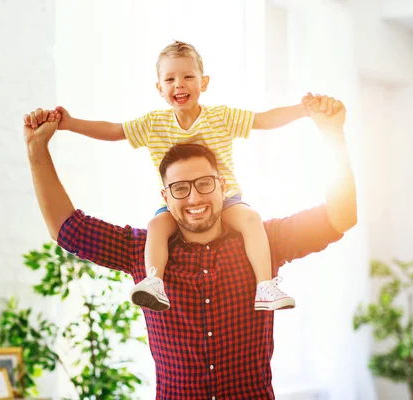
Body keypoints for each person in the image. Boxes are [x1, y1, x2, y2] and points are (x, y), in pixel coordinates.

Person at [23, 93, 357, 399]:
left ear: (222, 185)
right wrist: (37, 150)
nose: (194, 197)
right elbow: (67, 228)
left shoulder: (264, 240)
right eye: (180, 188)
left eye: (204, 184)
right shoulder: (141, 249)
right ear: (164, 196)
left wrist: (333, 136)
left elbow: (340, 217)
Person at [35, 40, 314, 312]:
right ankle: (154, 280)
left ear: (204, 83)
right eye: (169, 79)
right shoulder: (153, 123)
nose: (179, 84)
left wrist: (303, 110)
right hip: (176, 205)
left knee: (251, 220)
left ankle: (264, 286)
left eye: (188, 76)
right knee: (156, 226)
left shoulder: (222, 117)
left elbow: (263, 120)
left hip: (225, 200)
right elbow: (114, 131)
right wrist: (70, 124)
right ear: (159, 88)